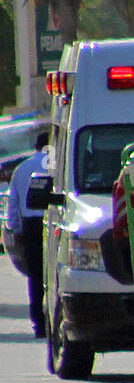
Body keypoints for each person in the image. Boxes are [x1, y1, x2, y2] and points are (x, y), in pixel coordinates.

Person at [4, 131, 50, 336]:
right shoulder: (56, 165)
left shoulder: (22, 169)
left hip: (31, 226)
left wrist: (16, 229)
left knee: (35, 276)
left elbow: (13, 204)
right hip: (53, 219)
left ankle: (38, 322)